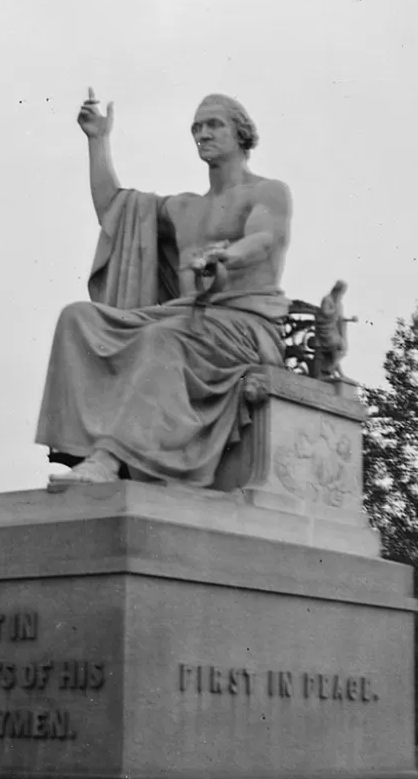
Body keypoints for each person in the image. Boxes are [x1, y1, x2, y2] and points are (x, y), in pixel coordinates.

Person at [35, 89, 293, 487]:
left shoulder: (267, 191)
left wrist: (226, 255)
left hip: (246, 327)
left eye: (213, 125)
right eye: (196, 127)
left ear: (242, 134)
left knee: (163, 338)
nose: (202, 134)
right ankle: (80, 451)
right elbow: (115, 212)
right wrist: (97, 141)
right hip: (190, 317)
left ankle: (110, 459)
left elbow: (264, 237)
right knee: (77, 318)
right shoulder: (185, 207)